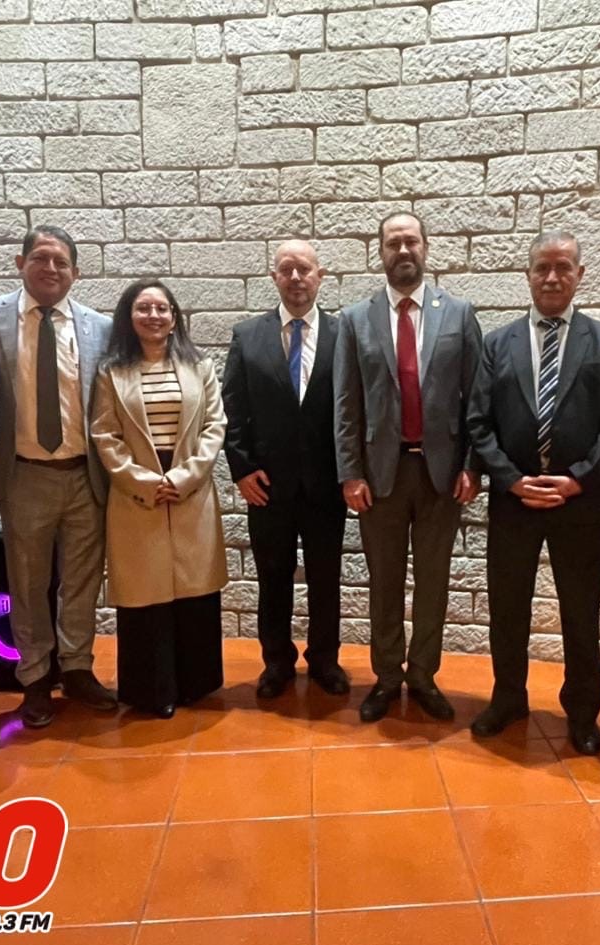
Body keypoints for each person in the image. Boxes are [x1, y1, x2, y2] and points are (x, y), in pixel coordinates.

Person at [466, 231, 600, 756]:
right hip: (513, 500)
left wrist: (578, 478)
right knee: (507, 606)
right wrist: (511, 479)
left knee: (580, 610)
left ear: (580, 274)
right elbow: (479, 423)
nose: (552, 277)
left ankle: (582, 711)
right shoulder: (498, 343)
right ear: (528, 275)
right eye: (542, 268)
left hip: (578, 501)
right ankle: (508, 698)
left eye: (563, 267)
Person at [334, 211, 482, 723]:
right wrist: (350, 472)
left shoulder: (459, 314)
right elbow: (346, 403)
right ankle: (386, 677)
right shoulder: (355, 319)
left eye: (411, 241)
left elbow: (476, 398)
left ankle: (423, 675)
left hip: (441, 474)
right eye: (393, 242)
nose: (403, 250)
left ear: (426, 247)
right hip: (381, 475)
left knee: (434, 580)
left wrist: (473, 465)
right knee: (384, 580)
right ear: (380, 252)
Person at [0, 226, 115, 728]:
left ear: (76, 272)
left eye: (61, 262)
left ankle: (76, 668)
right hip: (25, 475)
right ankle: (34, 677)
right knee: (28, 584)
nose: (51, 268)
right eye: (41, 258)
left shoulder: (100, 327)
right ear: (20, 262)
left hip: (85, 474)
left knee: (82, 582)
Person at [90, 279, 227, 717]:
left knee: (194, 592)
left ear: (174, 317)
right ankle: (153, 691)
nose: (153, 316)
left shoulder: (199, 365)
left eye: (162, 309)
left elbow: (215, 426)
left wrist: (185, 477)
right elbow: (105, 435)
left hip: (190, 492)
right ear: (129, 317)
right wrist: (144, 482)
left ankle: (195, 685)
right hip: (137, 495)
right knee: (145, 597)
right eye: (143, 308)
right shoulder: (111, 372)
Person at [222, 240, 348, 700]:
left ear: (320, 276)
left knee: (325, 579)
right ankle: (276, 662)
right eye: (286, 269)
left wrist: (352, 472)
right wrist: (241, 470)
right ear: (273, 276)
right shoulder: (247, 336)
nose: (296, 278)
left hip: (326, 484)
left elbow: (353, 410)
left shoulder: (343, 334)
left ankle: (325, 660)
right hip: (267, 485)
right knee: (273, 578)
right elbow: (232, 408)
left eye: (304, 269)